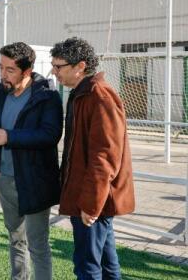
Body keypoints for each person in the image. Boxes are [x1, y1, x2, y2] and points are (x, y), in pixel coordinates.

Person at [50, 37, 135, 280]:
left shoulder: (100, 97)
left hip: (93, 200)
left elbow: (105, 158)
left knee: (88, 267)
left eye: (59, 67)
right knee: (107, 265)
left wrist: (90, 204)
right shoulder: (82, 93)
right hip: (90, 197)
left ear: (80, 66)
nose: (54, 72)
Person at [0, 42, 62, 280]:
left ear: (26, 71)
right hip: (4, 179)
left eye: (10, 70)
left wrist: (9, 137)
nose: (3, 74)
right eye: (1, 67)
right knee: (15, 239)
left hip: (34, 181)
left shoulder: (47, 97)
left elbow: (50, 135)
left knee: (37, 244)